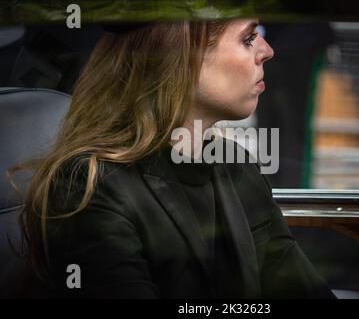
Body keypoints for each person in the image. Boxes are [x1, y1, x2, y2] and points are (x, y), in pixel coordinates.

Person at [10, 18, 335, 298]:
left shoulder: (237, 166)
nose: (267, 50)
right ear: (184, 55)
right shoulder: (86, 185)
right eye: (248, 38)